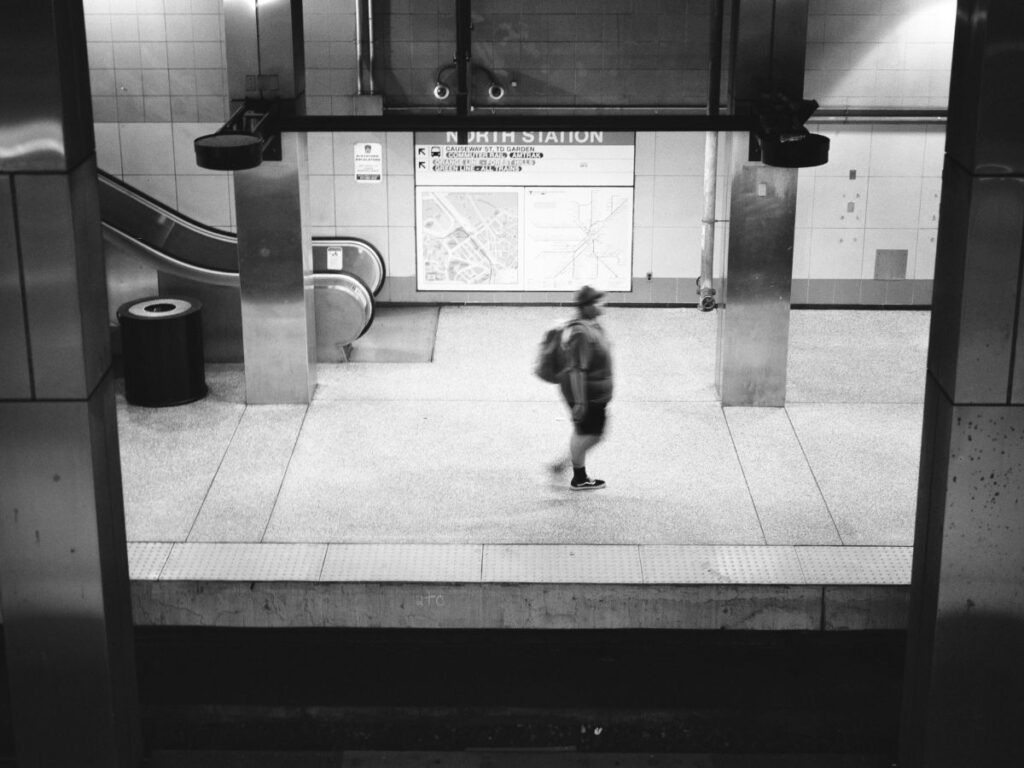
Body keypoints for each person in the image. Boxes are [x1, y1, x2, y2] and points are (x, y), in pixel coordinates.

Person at [553, 285, 613, 490]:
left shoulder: (591, 325)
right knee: (592, 433)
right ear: (586, 306)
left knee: (585, 432)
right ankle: (575, 474)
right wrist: (580, 402)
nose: (601, 305)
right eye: (597, 302)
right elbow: (577, 369)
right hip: (587, 394)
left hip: (594, 392)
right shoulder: (581, 332)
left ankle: (572, 469)